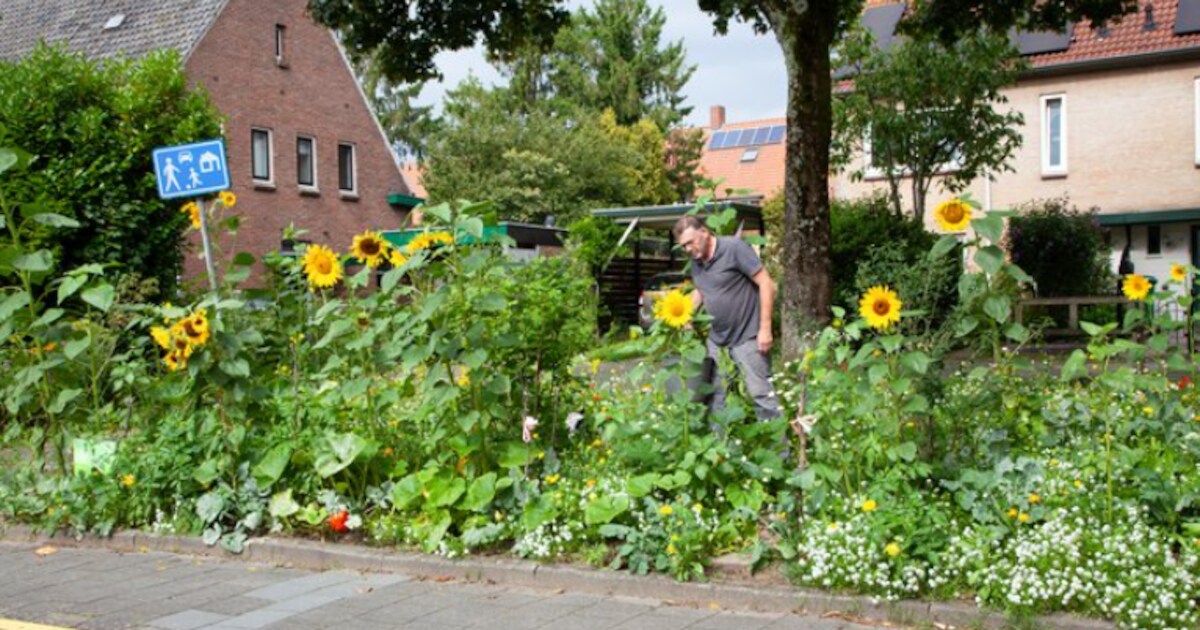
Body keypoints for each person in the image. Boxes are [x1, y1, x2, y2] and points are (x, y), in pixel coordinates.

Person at [673, 215, 781, 420]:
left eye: (690, 242)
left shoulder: (734, 248)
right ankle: (721, 449)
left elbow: (766, 284)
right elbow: (702, 291)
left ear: (704, 232)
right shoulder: (697, 261)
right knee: (716, 396)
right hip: (718, 342)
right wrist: (685, 314)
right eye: (683, 246)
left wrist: (765, 329)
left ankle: (779, 450)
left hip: (748, 337)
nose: (687, 249)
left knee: (761, 395)